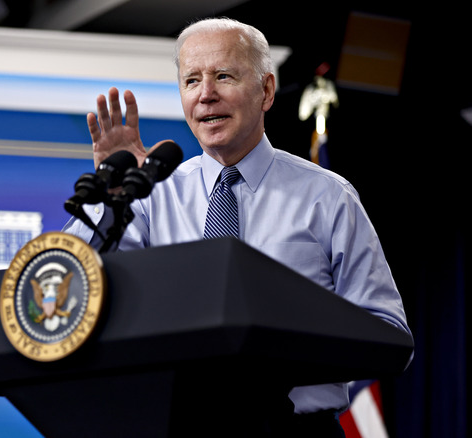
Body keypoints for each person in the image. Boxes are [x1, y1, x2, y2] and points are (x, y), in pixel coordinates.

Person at [63, 17, 412, 436]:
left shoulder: (328, 197)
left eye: (223, 76)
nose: (206, 95)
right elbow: (72, 290)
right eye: (192, 81)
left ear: (266, 91)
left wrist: (281, 346)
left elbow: (389, 335)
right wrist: (111, 198)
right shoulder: (152, 195)